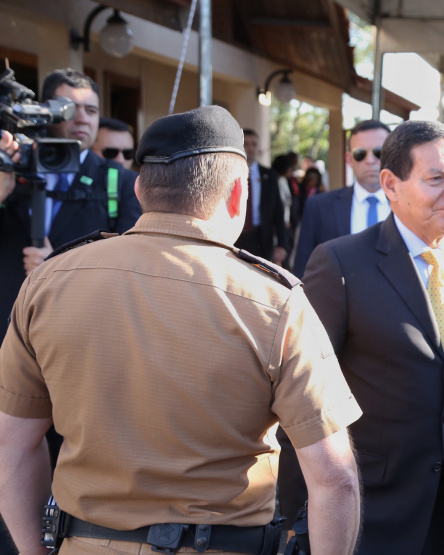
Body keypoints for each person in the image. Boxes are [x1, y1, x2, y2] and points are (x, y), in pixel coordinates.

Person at [0, 105, 363, 555]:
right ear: (237, 195)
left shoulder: (48, 282)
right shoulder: (275, 301)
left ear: (138, 188)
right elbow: (334, 478)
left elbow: (11, 448)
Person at [301, 120, 444, 554]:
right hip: (366, 518)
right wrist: (298, 516)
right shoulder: (341, 265)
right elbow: (305, 400)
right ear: (391, 184)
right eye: (436, 178)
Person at [0, 69, 142, 342]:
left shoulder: (121, 182)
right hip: (8, 334)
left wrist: (59, 266)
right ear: (43, 112)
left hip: (78, 336)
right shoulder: (9, 167)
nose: (82, 118)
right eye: (69, 109)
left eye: (91, 110)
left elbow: (131, 274)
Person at [291, 120, 390, 276]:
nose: (370, 160)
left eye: (379, 152)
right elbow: (303, 270)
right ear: (349, 159)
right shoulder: (319, 206)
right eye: (360, 154)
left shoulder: (411, 206)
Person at [237, 129, 288, 265]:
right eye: (246, 144)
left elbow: (278, 211)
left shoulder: (269, 176)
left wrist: (282, 244)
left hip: (261, 236)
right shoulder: (230, 173)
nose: (250, 148)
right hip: (236, 234)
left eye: (254, 144)